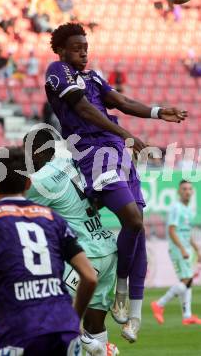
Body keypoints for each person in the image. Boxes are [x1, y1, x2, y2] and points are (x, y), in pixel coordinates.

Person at [45, 22, 187, 342]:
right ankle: (120, 288)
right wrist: (123, 133)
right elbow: (81, 108)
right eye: (77, 46)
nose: (84, 50)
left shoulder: (93, 76)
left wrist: (157, 111)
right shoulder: (58, 71)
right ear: (62, 50)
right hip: (94, 153)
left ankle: (132, 313)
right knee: (132, 220)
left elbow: (121, 102)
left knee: (138, 228)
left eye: (86, 45)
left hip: (119, 154)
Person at [0, 146, 97, 355]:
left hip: (20, 331)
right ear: (29, 182)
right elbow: (89, 277)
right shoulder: (54, 219)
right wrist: (73, 318)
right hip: (65, 329)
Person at [24, 127, 119, 355]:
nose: (28, 161)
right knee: (95, 323)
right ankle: (99, 346)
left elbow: (13, 204)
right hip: (107, 248)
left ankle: (97, 348)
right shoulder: (73, 162)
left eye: (28, 154)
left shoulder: (41, 179)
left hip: (85, 255)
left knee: (53, 312)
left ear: (36, 152)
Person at [151, 180, 201, 326]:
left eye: (189, 189)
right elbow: (171, 230)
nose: (187, 191)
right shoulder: (176, 208)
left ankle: (187, 315)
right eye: (184, 189)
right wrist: (181, 248)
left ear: (192, 192)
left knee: (188, 281)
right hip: (178, 248)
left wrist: (196, 249)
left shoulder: (188, 210)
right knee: (186, 279)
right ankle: (159, 304)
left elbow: (187, 233)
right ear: (179, 192)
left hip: (185, 248)